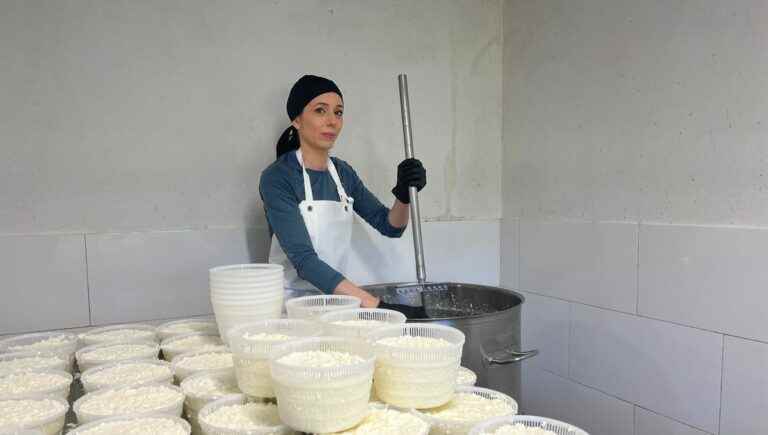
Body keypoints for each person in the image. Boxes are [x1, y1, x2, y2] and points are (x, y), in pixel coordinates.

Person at [260, 75, 427, 316]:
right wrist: (377, 306)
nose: (332, 121)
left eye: (338, 113)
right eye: (320, 111)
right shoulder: (278, 177)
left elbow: (391, 226)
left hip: (336, 303)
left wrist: (404, 194)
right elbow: (305, 262)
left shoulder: (342, 173)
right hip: (291, 310)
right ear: (297, 119)